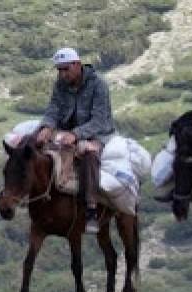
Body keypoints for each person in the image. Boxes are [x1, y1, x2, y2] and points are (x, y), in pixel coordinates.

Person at [36, 47, 115, 234]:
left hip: (96, 133)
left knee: (89, 155)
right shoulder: (61, 84)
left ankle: (91, 209)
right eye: (59, 70)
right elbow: (53, 108)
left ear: (77, 65)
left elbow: (99, 119)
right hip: (67, 131)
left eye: (66, 69)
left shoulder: (98, 85)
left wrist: (76, 134)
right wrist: (47, 126)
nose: (62, 74)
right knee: (34, 146)